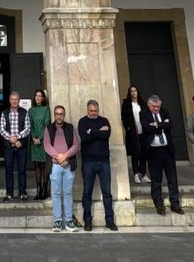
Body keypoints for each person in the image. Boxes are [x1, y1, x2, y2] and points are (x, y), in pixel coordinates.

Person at [139, 94, 183, 215]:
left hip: (167, 150)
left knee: (172, 178)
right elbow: (147, 128)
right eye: (154, 107)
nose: (156, 109)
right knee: (156, 179)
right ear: (149, 105)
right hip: (154, 151)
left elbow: (170, 125)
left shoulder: (165, 112)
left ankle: (175, 203)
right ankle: (159, 204)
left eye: (158, 106)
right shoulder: (144, 114)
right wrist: (162, 125)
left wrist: (157, 124)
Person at [78, 99, 117, 231]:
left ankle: (110, 220)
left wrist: (92, 131)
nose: (93, 113)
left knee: (107, 193)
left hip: (103, 161)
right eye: (91, 111)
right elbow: (84, 138)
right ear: (87, 110)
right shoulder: (82, 122)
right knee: (87, 193)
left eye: (95, 111)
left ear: (98, 110)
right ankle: (87, 221)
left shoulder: (104, 120)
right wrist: (98, 132)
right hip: (88, 162)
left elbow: (107, 134)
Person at [43, 105, 80, 232]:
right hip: (55, 166)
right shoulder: (48, 128)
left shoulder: (70, 128)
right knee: (56, 193)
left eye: (61, 114)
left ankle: (69, 221)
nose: (59, 116)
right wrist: (59, 157)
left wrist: (66, 156)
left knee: (68, 193)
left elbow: (76, 145)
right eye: (57, 114)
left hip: (68, 166)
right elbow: (47, 145)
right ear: (54, 115)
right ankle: (58, 221)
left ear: (64, 115)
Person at [0, 91, 30, 202]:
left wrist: (17, 138)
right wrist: (11, 139)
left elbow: (27, 129)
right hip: (9, 146)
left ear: (19, 100)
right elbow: (2, 129)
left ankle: (22, 193)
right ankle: (9, 193)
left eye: (16, 99)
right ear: (9, 100)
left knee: (22, 170)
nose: (14, 101)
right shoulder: (4, 113)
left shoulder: (24, 112)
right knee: (8, 170)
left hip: (21, 145)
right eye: (12, 99)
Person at [120, 85, 147, 184]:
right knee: (135, 153)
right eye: (131, 91)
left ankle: (143, 174)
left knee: (144, 153)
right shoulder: (126, 104)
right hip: (133, 133)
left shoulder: (142, 103)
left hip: (143, 132)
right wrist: (128, 127)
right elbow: (123, 117)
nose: (133, 93)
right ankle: (135, 173)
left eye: (135, 90)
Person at [28, 89, 51, 200]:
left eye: (40, 96)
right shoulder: (31, 110)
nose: (37, 97)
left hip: (44, 141)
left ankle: (45, 189)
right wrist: (33, 138)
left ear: (43, 98)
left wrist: (40, 138)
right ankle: (38, 190)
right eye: (36, 95)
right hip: (34, 141)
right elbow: (30, 126)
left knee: (44, 165)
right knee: (36, 165)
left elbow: (47, 125)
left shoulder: (46, 109)